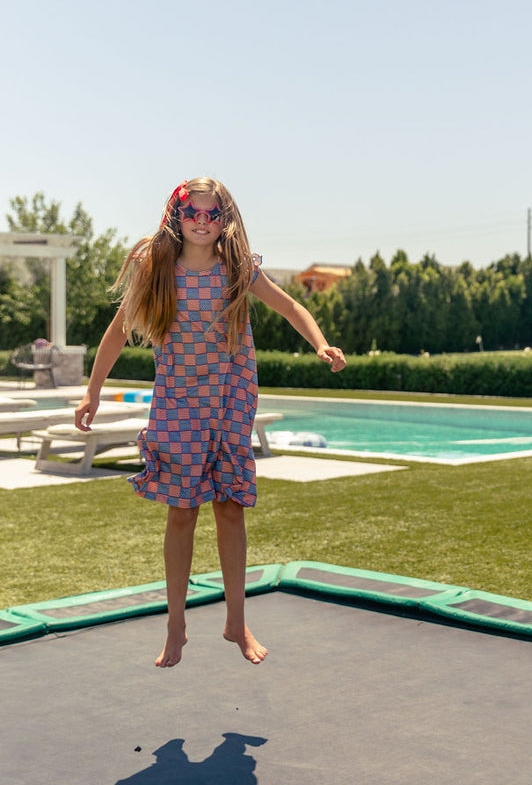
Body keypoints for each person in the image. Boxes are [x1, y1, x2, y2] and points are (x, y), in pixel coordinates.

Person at [74, 178, 346, 669]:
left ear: (225, 219)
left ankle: (236, 621)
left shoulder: (237, 268)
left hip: (229, 397)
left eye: (212, 214)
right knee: (182, 512)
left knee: (230, 506)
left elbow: (290, 306)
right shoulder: (155, 268)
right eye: (192, 213)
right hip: (178, 402)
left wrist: (321, 343)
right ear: (176, 216)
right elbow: (117, 331)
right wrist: (92, 390)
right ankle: (176, 624)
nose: (202, 221)